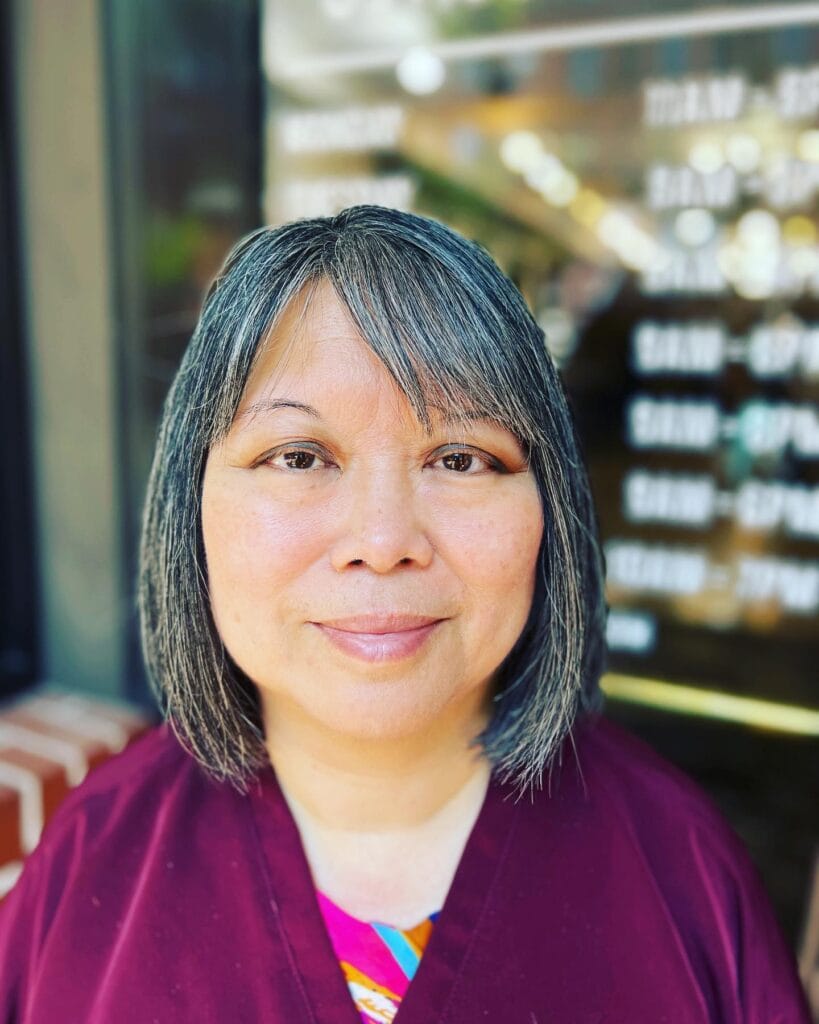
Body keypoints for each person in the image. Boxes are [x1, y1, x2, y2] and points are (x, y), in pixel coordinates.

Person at [0, 205, 810, 1024]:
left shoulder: (683, 871)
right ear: (191, 505)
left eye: (459, 458)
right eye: (298, 457)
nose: (383, 542)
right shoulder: (91, 859)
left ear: (551, 511)